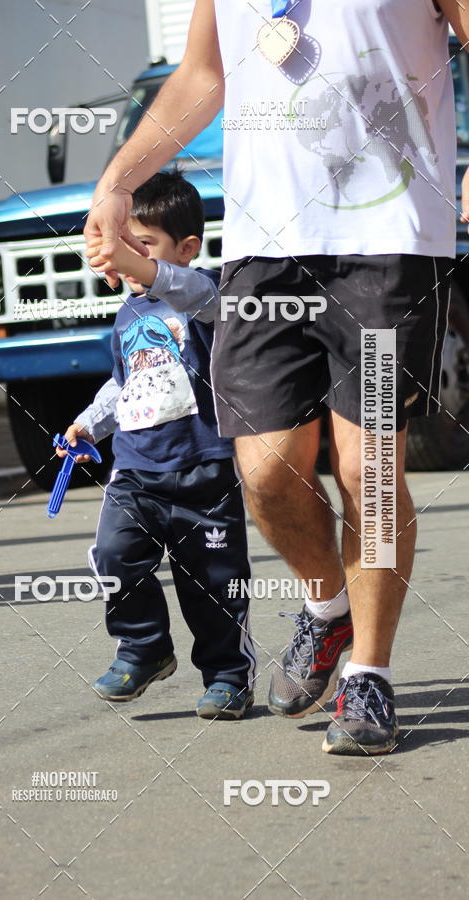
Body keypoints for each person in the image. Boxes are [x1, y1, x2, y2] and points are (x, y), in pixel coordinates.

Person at [83, 0, 466, 754]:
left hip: (389, 240)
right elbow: (203, 72)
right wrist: (119, 182)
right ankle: (328, 609)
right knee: (264, 475)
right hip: (262, 250)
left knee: (370, 469)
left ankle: (369, 677)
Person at [58, 169, 256, 719]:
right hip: (135, 472)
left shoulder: (203, 297)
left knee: (214, 584)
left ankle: (228, 677)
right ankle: (144, 648)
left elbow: (195, 292)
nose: (125, 258)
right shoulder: (127, 314)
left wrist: (148, 270)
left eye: (141, 246)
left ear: (186, 248)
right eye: (120, 245)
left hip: (204, 472)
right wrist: (87, 423)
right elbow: (125, 383)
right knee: (114, 556)